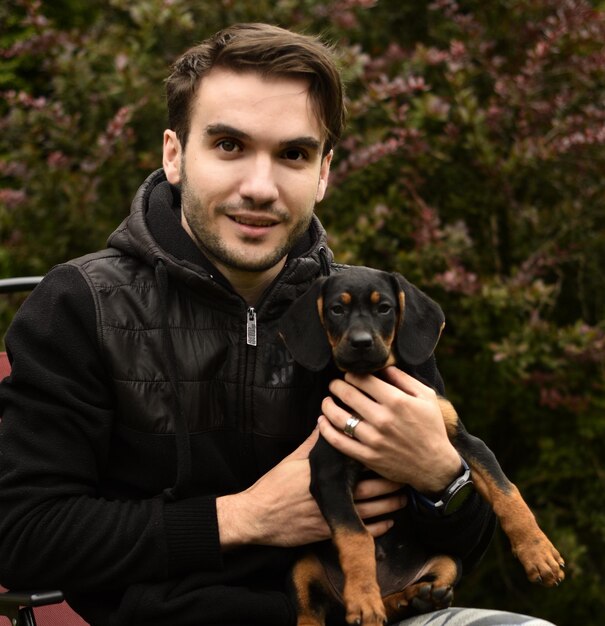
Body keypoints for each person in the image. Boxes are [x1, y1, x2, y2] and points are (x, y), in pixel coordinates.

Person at [0, 23, 555, 626]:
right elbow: (22, 536)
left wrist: (440, 478)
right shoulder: (82, 305)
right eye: (229, 145)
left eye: (293, 153)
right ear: (174, 154)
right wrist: (243, 518)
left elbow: (455, 548)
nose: (261, 188)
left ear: (322, 173)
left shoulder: (366, 314)